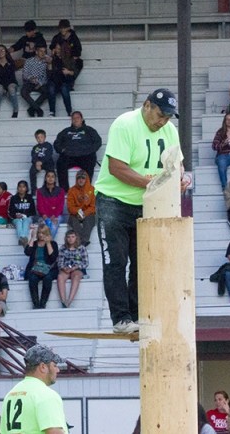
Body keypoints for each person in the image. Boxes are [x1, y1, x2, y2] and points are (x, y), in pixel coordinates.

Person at [94, 88, 181, 334]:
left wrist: (180, 179)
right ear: (147, 105)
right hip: (114, 202)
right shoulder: (125, 124)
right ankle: (121, 318)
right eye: (160, 114)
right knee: (116, 262)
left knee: (143, 263)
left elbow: (177, 165)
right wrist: (151, 183)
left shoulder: (170, 130)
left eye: (168, 116)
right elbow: (116, 167)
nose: (163, 121)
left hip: (147, 203)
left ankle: (137, 315)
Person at [0, 344, 66, 434]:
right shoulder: (46, 395)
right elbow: (55, 432)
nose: (58, 370)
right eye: (54, 365)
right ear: (43, 367)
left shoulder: (10, 395)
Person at [53, 112, 103, 191]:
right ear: (71, 120)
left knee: (90, 160)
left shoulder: (89, 130)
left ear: (82, 119)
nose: (76, 120)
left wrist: (89, 151)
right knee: (60, 162)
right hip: (69, 156)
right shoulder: (66, 131)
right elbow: (57, 143)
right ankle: (64, 190)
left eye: (78, 118)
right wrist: (62, 150)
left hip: (85, 156)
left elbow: (98, 142)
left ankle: (86, 189)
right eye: (74, 118)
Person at [48, 19, 83, 111]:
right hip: (59, 62)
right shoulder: (57, 37)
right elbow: (52, 47)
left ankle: (69, 86)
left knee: (71, 72)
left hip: (70, 60)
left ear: (68, 28)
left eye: (64, 28)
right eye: (61, 28)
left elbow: (78, 52)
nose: (62, 30)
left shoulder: (74, 38)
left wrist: (69, 57)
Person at [24, 224, 59, 309]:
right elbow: (27, 252)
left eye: (43, 233)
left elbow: (53, 258)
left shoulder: (53, 244)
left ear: (47, 233)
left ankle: (43, 303)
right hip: (35, 268)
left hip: (49, 269)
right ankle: (36, 304)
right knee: (32, 278)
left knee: (48, 278)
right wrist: (32, 238)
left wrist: (48, 243)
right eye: (39, 233)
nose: (40, 235)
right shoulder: (35, 243)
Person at [55, 231, 88, 308]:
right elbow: (59, 262)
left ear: (76, 238)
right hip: (66, 269)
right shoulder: (63, 248)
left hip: (77, 268)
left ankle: (69, 301)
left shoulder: (82, 248)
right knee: (60, 276)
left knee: (76, 276)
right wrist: (64, 268)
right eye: (68, 237)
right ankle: (63, 301)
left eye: (73, 237)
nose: (70, 239)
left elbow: (85, 263)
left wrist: (75, 267)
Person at [65, 171, 96, 246]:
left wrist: (84, 214)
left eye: (83, 178)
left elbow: (93, 207)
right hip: (75, 214)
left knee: (89, 220)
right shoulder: (72, 190)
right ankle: (80, 241)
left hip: (89, 214)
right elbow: (70, 206)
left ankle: (84, 241)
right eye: (79, 178)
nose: (81, 180)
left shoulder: (92, 190)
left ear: (86, 179)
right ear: (76, 179)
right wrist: (78, 212)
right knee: (73, 219)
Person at [20, 45, 49, 118]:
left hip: (39, 83)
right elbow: (25, 74)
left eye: (44, 51)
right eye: (41, 51)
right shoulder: (29, 61)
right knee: (23, 92)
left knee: (47, 92)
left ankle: (31, 109)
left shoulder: (45, 63)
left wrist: (40, 83)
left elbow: (45, 77)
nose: (43, 53)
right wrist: (31, 79)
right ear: (36, 52)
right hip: (29, 82)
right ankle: (38, 109)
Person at [34, 172, 64, 240]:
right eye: (48, 176)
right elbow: (39, 206)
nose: (50, 178)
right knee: (45, 226)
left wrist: (54, 216)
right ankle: (48, 246)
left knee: (53, 226)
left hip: (57, 216)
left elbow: (60, 206)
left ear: (55, 179)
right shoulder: (40, 191)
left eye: (52, 176)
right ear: (45, 178)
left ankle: (47, 244)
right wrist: (45, 217)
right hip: (44, 216)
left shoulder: (60, 191)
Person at [0, 45, 19, 118]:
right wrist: (3, 88)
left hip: (11, 82)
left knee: (11, 89)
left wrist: (6, 89)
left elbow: (11, 77)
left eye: (3, 50)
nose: (1, 52)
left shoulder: (11, 62)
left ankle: (16, 110)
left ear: (6, 52)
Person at [8, 181, 36, 247]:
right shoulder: (13, 198)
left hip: (27, 218)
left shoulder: (30, 198)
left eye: (23, 187)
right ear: (17, 188)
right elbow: (10, 212)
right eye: (20, 186)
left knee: (26, 221)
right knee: (19, 222)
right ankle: (23, 239)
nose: (21, 188)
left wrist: (25, 215)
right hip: (16, 218)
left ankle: (22, 239)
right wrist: (15, 215)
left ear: (26, 188)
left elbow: (33, 212)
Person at [28, 129, 55, 195]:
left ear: (45, 137)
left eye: (41, 137)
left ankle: (50, 188)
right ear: (36, 138)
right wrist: (36, 163)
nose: (40, 139)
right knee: (32, 171)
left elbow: (48, 155)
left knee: (51, 172)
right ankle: (33, 190)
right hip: (38, 164)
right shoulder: (35, 147)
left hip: (47, 162)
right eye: (38, 138)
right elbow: (33, 157)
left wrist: (41, 162)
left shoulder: (48, 145)